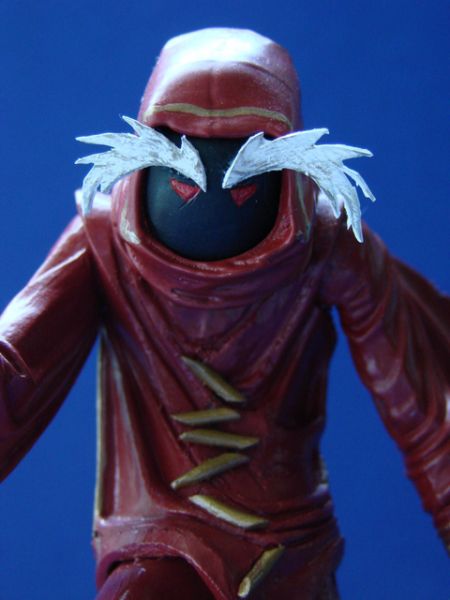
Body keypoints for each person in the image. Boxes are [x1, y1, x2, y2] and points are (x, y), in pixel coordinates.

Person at [0, 28, 448, 600]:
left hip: (290, 544)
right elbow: (17, 367)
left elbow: (428, 409)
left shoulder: (328, 244)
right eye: (184, 179)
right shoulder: (103, 240)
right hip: (157, 540)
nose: (210, 190)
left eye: (241, 180)